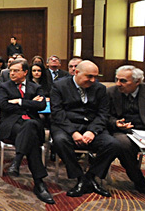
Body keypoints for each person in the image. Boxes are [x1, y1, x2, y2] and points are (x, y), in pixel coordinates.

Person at [50, 60, 117, 197]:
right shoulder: (59, 86)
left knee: (113, 144)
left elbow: (103, 113)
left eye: (95, 77)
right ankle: (79, 177)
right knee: (60, 141)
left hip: (91, 126)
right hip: (66, 125)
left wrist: (92, 131)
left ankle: (91, 177)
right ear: (76, 72)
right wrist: (73, 132)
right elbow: (57, 113)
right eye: (89, 76)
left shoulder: (100, 88)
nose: (93, 80)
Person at [0, 59, 54, 204]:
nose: (12, 73)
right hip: (12, 125)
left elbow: (41, 105)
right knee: (31, 135)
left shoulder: (35, 87)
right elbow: (4, 106)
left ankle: (17, 159)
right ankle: (39, 183)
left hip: (31, 125)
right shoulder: (4, 87)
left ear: (25, 72)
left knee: (29, 127)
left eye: (16, 71)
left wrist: (20, 101)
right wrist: (30, 104)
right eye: (10, 71)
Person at [107, 65, 145, 193]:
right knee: (123, 145)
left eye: (123, 81)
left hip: (143, 130)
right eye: (117, 79)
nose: (118, 84)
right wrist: (116, 123)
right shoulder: (111, 92)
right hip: (122, 131)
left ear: (137, 82)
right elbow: (105, 115)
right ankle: (139, 180)